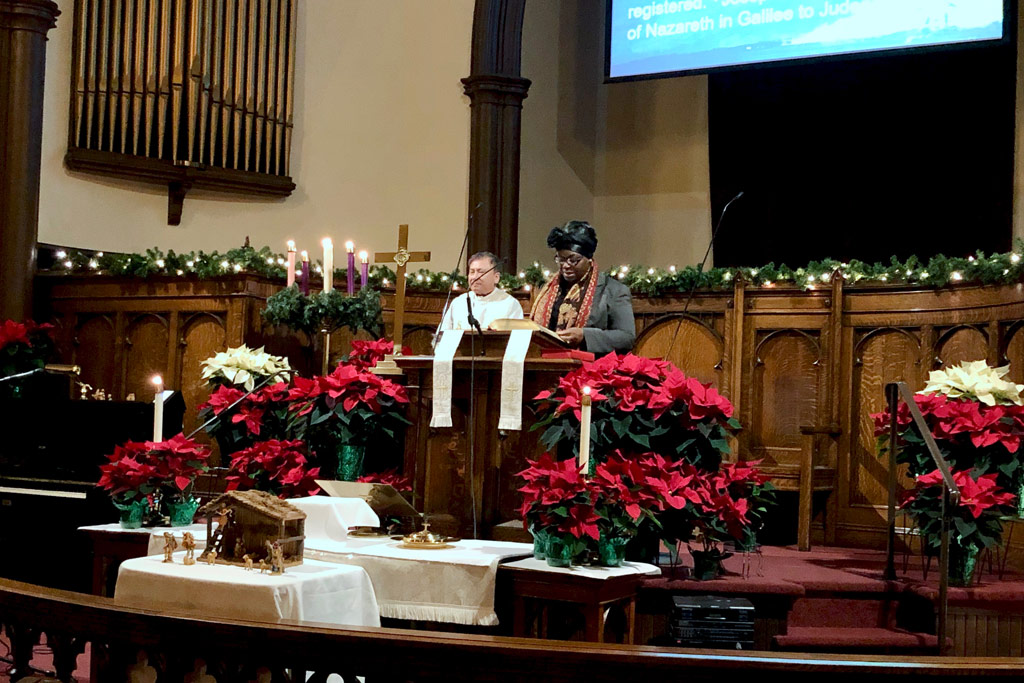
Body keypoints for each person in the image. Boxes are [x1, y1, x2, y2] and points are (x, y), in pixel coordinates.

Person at [530, 221, 635, 355]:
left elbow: (627, 338)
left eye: (573, 260)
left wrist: (585, 336)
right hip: (548, 363)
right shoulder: (548, 289)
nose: (566, 265)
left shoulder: (613, 290)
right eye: (560, 259)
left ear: (589, 259)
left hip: (592, 368)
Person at [439, 251, 524, 330]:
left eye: (481, 272)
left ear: (496, 277)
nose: (475, 277)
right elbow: (441, 338)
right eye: (472, 272)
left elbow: (517, 341)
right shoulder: (458, 303)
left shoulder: (510, 304)